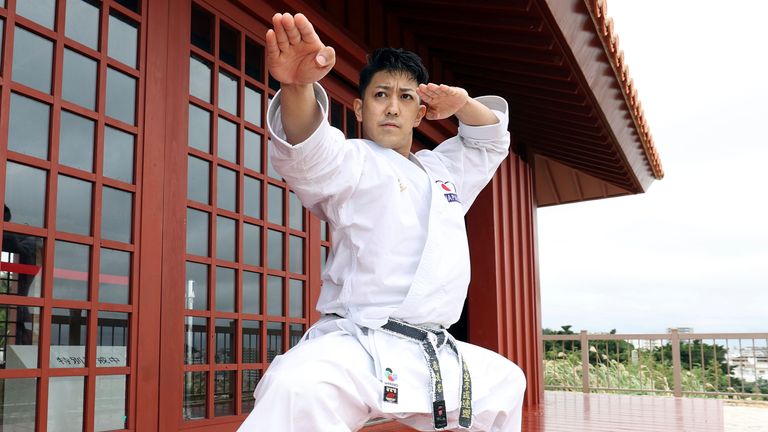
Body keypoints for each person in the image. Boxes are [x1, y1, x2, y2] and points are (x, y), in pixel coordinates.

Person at [237, 12, 525, 432]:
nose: (392, 107)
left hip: (432, 349)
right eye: (380, 95)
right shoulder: (352, 161)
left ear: (420, 114)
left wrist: (462, 104)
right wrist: (296, 85)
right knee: (298, 387)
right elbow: (309, 149)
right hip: (360, 343)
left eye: (406, 97)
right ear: (358, 107)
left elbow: (491, 141)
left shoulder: (445, 171)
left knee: (504, 383)